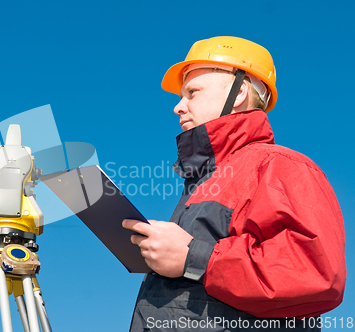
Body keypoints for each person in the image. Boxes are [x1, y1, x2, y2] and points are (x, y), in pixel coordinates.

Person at [122, 36, 346, 331]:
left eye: (192, 92)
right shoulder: (202, 182)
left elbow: (316, 273)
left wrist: (193, 257)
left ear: (239, 92)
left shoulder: (278, 166)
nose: (179, 106)